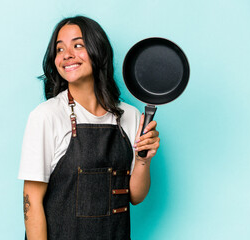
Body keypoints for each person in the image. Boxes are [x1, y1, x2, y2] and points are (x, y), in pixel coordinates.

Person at [18, 15, 160, 240]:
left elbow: (135, 196)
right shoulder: (46, 116)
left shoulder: (130, 116)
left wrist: (144, 159)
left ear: (98, 51)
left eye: (78, 45)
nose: (67, 55)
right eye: (59, 49)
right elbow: (32, 201)